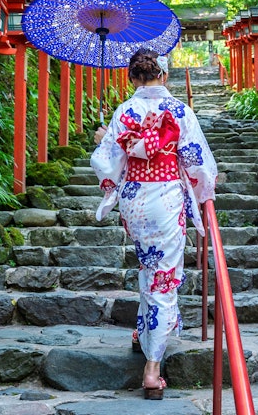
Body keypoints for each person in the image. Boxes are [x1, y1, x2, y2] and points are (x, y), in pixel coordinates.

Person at [90, 48, 217, 400]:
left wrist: (104, 141)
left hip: (134, 199)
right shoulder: (179, 110)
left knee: (149, 266)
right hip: (166, 197)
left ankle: (143, 332)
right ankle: (152, 369)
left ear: (131, 78)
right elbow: (195, 161)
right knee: (163, 278)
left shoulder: (124, 111)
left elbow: (108, 162)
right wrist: (205, 193)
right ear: (163, 76)